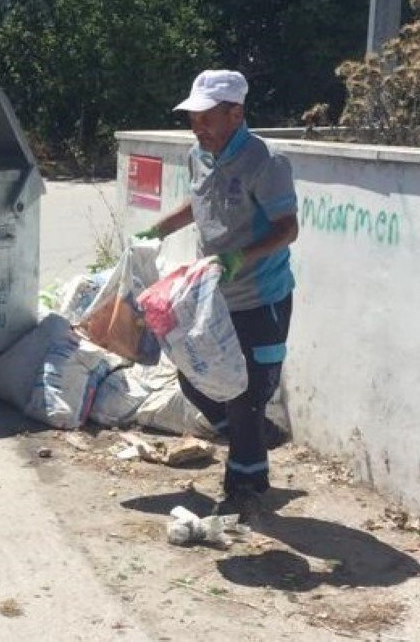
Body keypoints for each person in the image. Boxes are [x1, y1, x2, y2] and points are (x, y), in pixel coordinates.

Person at [137, 69, 299, 521]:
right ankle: (253, 434)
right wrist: (157, 229)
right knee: (197, 378)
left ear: (236, 113)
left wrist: (238, 259)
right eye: (193, 118)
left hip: (261, 297)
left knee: (244, 392)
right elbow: (199, 201)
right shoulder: (199, 156)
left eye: (207, 118)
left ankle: (245, 485)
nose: (198, 128)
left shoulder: (266, 162)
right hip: (211, 297)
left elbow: (289, 229)